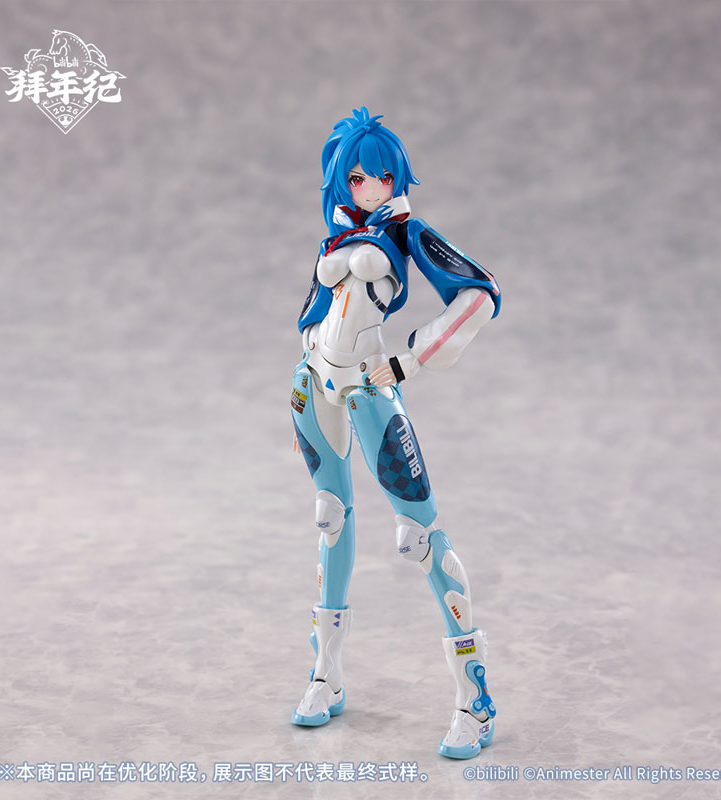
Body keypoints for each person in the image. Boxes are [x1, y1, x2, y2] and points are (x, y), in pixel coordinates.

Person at [290, 108, 500, 759]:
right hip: (316, 381)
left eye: (378, 176)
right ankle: (325, 675)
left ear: (395, 177)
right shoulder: (338, 233)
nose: (367, 187)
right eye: (355, 178)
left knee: (420, 535)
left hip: (369, 387)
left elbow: (479, 294)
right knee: (331, 516)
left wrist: (412, 358)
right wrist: (304, 368)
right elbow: (320, 308)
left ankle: (475, 700)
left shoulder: (406, 231)